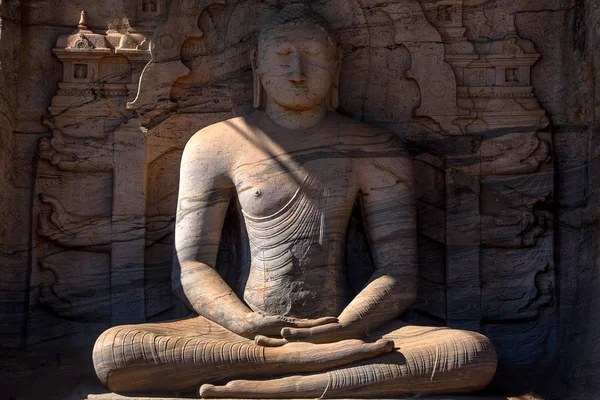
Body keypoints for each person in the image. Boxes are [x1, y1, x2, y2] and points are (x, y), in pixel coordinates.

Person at [92, 3, 497, 397]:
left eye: (314, 55)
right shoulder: (215, 144)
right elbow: (192, 266)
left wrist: (344, 327)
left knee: (471, 353)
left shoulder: (375, 147)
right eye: (282, 54)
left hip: (347, 327)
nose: (297, 71)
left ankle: (291, 382)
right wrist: (244, 322)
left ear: (336, 64)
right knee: (116, 351)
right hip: (243, 333)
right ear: (257, 64)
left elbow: (398, 274)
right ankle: (305, 367)